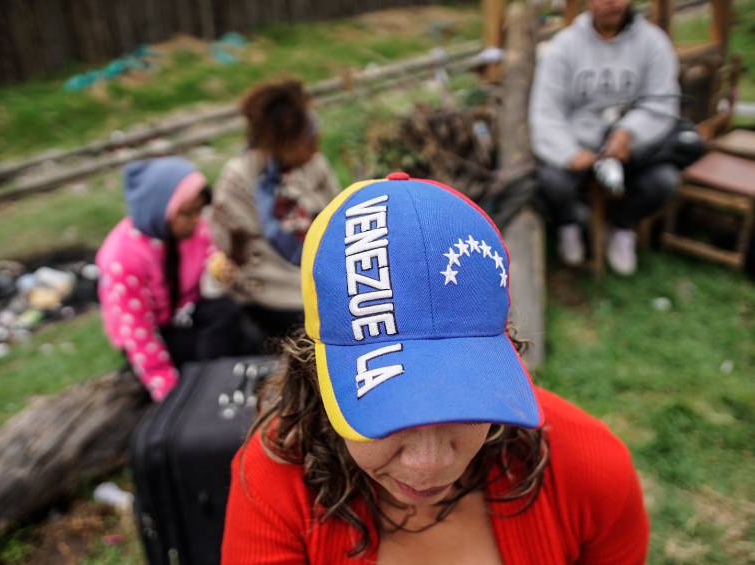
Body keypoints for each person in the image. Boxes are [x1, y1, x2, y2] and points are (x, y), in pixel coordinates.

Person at [221, 174, 649, 564]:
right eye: (385, 406)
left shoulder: (592, 470)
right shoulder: (271, 485)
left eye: (464, 399)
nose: (428, 465)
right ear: (317, 373)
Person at [529, 0, 681, 275]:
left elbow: (662, 103)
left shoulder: (653, 43)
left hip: (631, 147)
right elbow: (545, 110)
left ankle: (622, 226)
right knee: (550, 181)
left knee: (664, 181)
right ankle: (570, 223)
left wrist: (629, 133)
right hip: (578, 144)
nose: (612, 2)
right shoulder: (564, 46)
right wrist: (569, 152)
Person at [96, 157, 260, 402]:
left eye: (199, 210)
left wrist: (218, 268)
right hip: (155, 330)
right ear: (161, 211)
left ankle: (231, 373)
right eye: (188, 213)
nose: (198, 219)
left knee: (230, 314)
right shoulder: (123, 260)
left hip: (184, 312)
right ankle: (207, 387)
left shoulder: (192, 231)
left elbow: (208, 253)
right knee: (209, 347)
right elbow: (140, 334)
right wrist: (168, 390)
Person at [210, 79, 339, 339]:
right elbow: (234, 251)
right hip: (272, 295)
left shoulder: (314, 164)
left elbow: (337, 218)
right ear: (283, 142)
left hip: (321, 278)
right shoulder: (240, 178)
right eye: (309, 137)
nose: (317, 142)